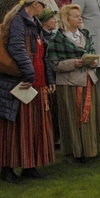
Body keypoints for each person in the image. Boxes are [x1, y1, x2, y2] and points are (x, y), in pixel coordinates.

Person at [0, 0, 57, 183]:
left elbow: (43, 55)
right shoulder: (18, 21)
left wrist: (49, 79)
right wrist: (29, 75)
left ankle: (29, 165)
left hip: (34, 83)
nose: (44, 9)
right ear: (35, 5)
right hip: (21, 83)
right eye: (43, 5)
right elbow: (17, 49)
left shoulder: (33, 23)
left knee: (33, 126)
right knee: (16, 127)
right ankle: (7, 170)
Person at [48, 4, 100, 164]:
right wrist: (74, 62)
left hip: (87, 80)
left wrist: (93, 63)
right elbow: (54, 63)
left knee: (89, 116)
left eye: (80, 15)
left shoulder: (85, 34)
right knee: (72, 118)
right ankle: (72, 152)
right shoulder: (57, 39)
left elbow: (93, 52)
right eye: (75, 16)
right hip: (69, 84)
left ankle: (89, 150)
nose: (80, 18)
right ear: (67, 19)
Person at [38, 8, 61, 147]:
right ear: (45, 21)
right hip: (48, 78)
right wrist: (51, 79)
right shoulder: (42, 38)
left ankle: (56, 137)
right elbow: (46, 59)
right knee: (51, 109)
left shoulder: (52, 35)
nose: (56, 20)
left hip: (54, 76)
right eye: (53, 18)